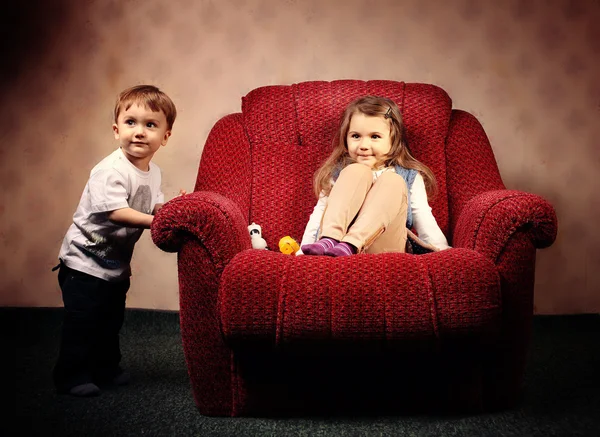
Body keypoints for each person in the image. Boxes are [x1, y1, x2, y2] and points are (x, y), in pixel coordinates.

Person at [53, 85, 182, 397]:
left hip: (114, 265)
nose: (139, 132)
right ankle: (70, 375)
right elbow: (117, 213)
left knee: (110, 322)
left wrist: (174, 210)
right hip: (83, 261)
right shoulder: (110, 170)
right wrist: (157, 221)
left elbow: (154, 206)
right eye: (131, 123)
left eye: (150, 125)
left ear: (165, 136)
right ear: (116, 130)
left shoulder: (152, 173)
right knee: (82, 322)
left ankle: (106, 368)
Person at [299, 95, 450, 257]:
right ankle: (330, 239)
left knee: (392, 182)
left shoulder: (409, 176)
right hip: (335, 248)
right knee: (354, 172)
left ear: (394, 139)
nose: (364, 146)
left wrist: (444, 255)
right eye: (356, 136)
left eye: (375, 137)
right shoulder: (339, 174)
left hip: (386, 249)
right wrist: (302, 253)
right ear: (346, 138)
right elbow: (320, 213)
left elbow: (424, 219)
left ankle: (350, 245)